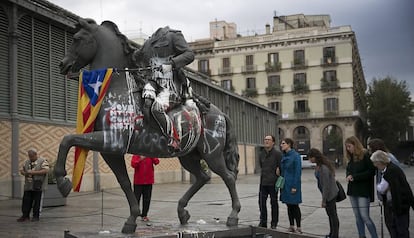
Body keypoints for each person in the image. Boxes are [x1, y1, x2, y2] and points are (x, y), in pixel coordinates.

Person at [134, 26, 195, 151]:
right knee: (143, 102)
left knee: (157, 108)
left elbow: (189, 54)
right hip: (152, 82)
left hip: (171, 85)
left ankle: (174, 139)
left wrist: (171, 64)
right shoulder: (148, 43)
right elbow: (136, 56)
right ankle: (150, 134)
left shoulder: (173, 35)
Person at [370, 150, 414, 238]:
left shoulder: (390, 171)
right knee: (395, 228)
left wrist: (380, 187)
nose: (375, 166)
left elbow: (381, 188)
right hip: (396, 204)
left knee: (400, 229)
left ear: (380, 162)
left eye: (376, 163)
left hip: (399, 204)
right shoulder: (391, 169)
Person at [344, 136, 378, 238]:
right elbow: (349, 170)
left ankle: (374, 236)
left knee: (365, 216)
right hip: (352, 190)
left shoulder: (365, 155)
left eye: (349, 146)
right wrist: (348, 175)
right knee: (357, 217)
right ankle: (361, 236)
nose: (348, 149)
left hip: (363, 190)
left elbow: (371, 171)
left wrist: (355, 177)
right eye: (346, 147)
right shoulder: (351, 158)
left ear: (355, 145)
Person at [307, 148, 339, 238]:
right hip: (326, 193)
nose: (309, 160)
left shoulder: (324, 168)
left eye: (310, 158)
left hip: (330, 194)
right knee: (330, 215)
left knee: (333, 215)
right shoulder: (319, 166)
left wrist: (324, 200)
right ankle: (332, 233)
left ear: (315, 157)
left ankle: (335, 235)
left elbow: (326, 185)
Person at [17, 149, 49, 222]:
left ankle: (35, 216)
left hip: (38, 185)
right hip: (28, 185)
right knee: (26, 201)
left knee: (37, 202)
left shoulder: (43, 161)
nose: (30, 158)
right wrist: (24, 173)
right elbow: (22, 170)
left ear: (35, 155)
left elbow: (46, 170)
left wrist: (33, 172)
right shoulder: (26, 162)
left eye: (32, 156)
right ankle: (25, 216)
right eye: (29, 156)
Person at [258, 135, 282, 229]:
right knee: (261, 203)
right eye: (265, 140)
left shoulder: (277, 154)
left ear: (273, 142)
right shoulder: (261, 153)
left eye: (268, 140)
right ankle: (263, 222)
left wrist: (278, 171)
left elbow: (281, 167)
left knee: (274, 203)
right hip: (263, 182)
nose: (266, 141)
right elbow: (261, 165)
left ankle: (274, 223)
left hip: (273, 183)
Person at [279, 138, 302, 233]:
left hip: (293, 184)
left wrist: (295, 186)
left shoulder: (295, 156)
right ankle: (291, 225)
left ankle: (299, 227)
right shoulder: (284, 156)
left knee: (295, 206)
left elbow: (298, 172)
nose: (281, 145)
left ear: (289, 144)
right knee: (289, 205)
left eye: (283, 143)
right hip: (285, 184)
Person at [131, 154, 160, 222]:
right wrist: (140, 159)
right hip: (138, 182)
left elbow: (157, 162)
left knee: (147, 199)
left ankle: (144, 215)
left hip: (149, 181)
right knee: (136, 199)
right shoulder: (136, 154)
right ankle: (134, 214)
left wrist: (152, 156)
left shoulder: (150, 154)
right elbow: (133, 165)